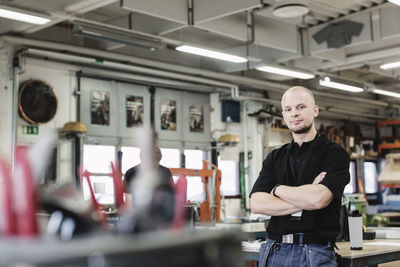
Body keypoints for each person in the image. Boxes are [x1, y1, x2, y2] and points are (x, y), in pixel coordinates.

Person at [250, 86, 350, 267]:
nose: (294, 113)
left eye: (301, 107)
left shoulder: (335, 154)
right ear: (284, 115)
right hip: (275, 250)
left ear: (315, 110)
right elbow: (257, 203)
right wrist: (305, 199)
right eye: (288, 109)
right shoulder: (275, 157)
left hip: (315, 251)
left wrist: (276, 189)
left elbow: (318, 200)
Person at [124, 146, 175, 231]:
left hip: (160, 218)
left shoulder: (165, 172)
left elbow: (170, 196)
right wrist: (133, 218)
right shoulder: (131, 173)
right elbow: (128, 198)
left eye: (155, 165)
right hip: (138, 215)